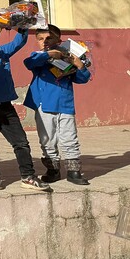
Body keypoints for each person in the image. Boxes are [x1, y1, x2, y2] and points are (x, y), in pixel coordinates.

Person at [0, 21, 51, 192]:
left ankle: (28, 176)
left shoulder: (1, 51)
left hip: (5, 106)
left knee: (21, 142)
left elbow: (18, 42)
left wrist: (22, 25)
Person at [24, 24, 92, 185]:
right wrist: (48, 55)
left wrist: (79, 65)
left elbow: (82, 79)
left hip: (65, 104)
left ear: (59, 40)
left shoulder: (69, 57)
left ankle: (73, 171)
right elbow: (29, 63)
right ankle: (52, 170)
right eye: (41, 39)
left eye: (49, 38)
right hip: (43, 104)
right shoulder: (40, 56)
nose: (45, 41)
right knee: (47, 138)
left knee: (70, 137)